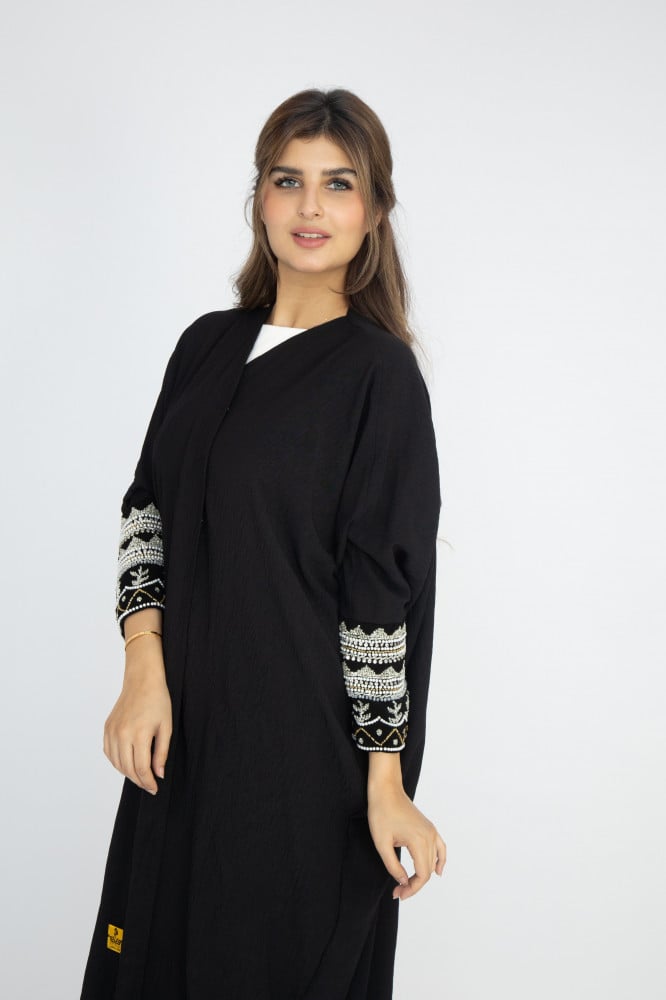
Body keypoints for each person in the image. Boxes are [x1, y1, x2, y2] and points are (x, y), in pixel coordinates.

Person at [81, 87, 447, 1000]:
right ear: (260, 199)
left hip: (297, 759)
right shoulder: (204, 347)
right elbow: (147, 512)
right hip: (179, 741)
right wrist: (142, 667)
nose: (310, 207)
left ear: (375, 209)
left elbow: (381, 591)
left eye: (339, 184)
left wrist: (385, 780)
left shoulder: (378, 376)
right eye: (289, 180)